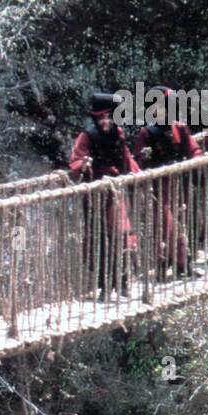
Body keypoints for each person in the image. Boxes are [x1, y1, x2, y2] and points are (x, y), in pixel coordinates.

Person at [69, 92, 140, 297]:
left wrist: (139, 176)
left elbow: (126, 158)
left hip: (115, 191)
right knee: (98, 238)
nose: (106, 121)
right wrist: (83, 164)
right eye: (102, 118)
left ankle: (124, 281)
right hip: (95, 194)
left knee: (121, 234)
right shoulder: (87, 136)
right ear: (95, 118)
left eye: (109, 117)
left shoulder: (119, 133)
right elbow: (75, 161)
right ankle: (105, 285)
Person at [133, 86, 201, 277]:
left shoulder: (180, 128)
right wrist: (143, 157)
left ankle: (179, 264)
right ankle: (171, 262)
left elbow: (193, 149)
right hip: (158, 187)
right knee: (166, 224)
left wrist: (198, 159)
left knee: (181, 220)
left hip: (179, 183)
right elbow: (136, 161)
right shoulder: (147, 133)